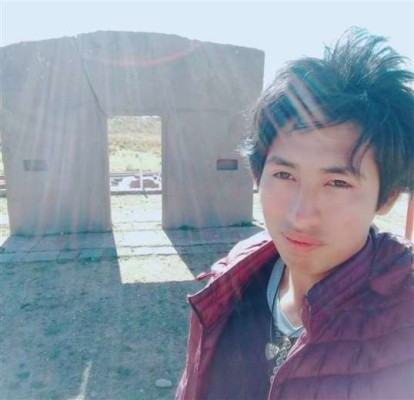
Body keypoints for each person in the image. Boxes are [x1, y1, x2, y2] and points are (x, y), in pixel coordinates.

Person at [176, 27, 414, 400]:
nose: (301, 216)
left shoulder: (404, 325)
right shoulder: (233, 278)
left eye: (337, 183)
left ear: (386, 198)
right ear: (258, 174)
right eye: (285, 175)